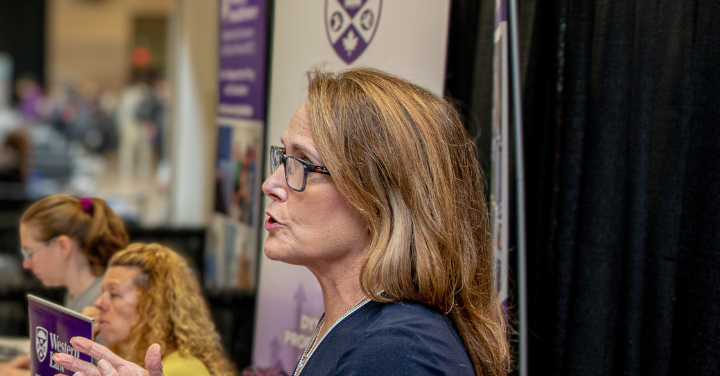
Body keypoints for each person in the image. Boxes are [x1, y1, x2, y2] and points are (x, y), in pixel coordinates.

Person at [53, 67, 509, 376]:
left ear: (379, 198)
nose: (271, 184)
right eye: (281, 158)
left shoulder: (398, 353)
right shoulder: (357, 325)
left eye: (302, 165)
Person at [90, 244, 237, 376]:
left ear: (152, 305)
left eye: (114, 293)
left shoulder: (181, 371)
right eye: (102, 293)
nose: (98, 303)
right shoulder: (134, 357)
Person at [19, 195, 132, 314]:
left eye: (30, 253)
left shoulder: (103, 306)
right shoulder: (75, 294)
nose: (26, 264)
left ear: (63, 247)